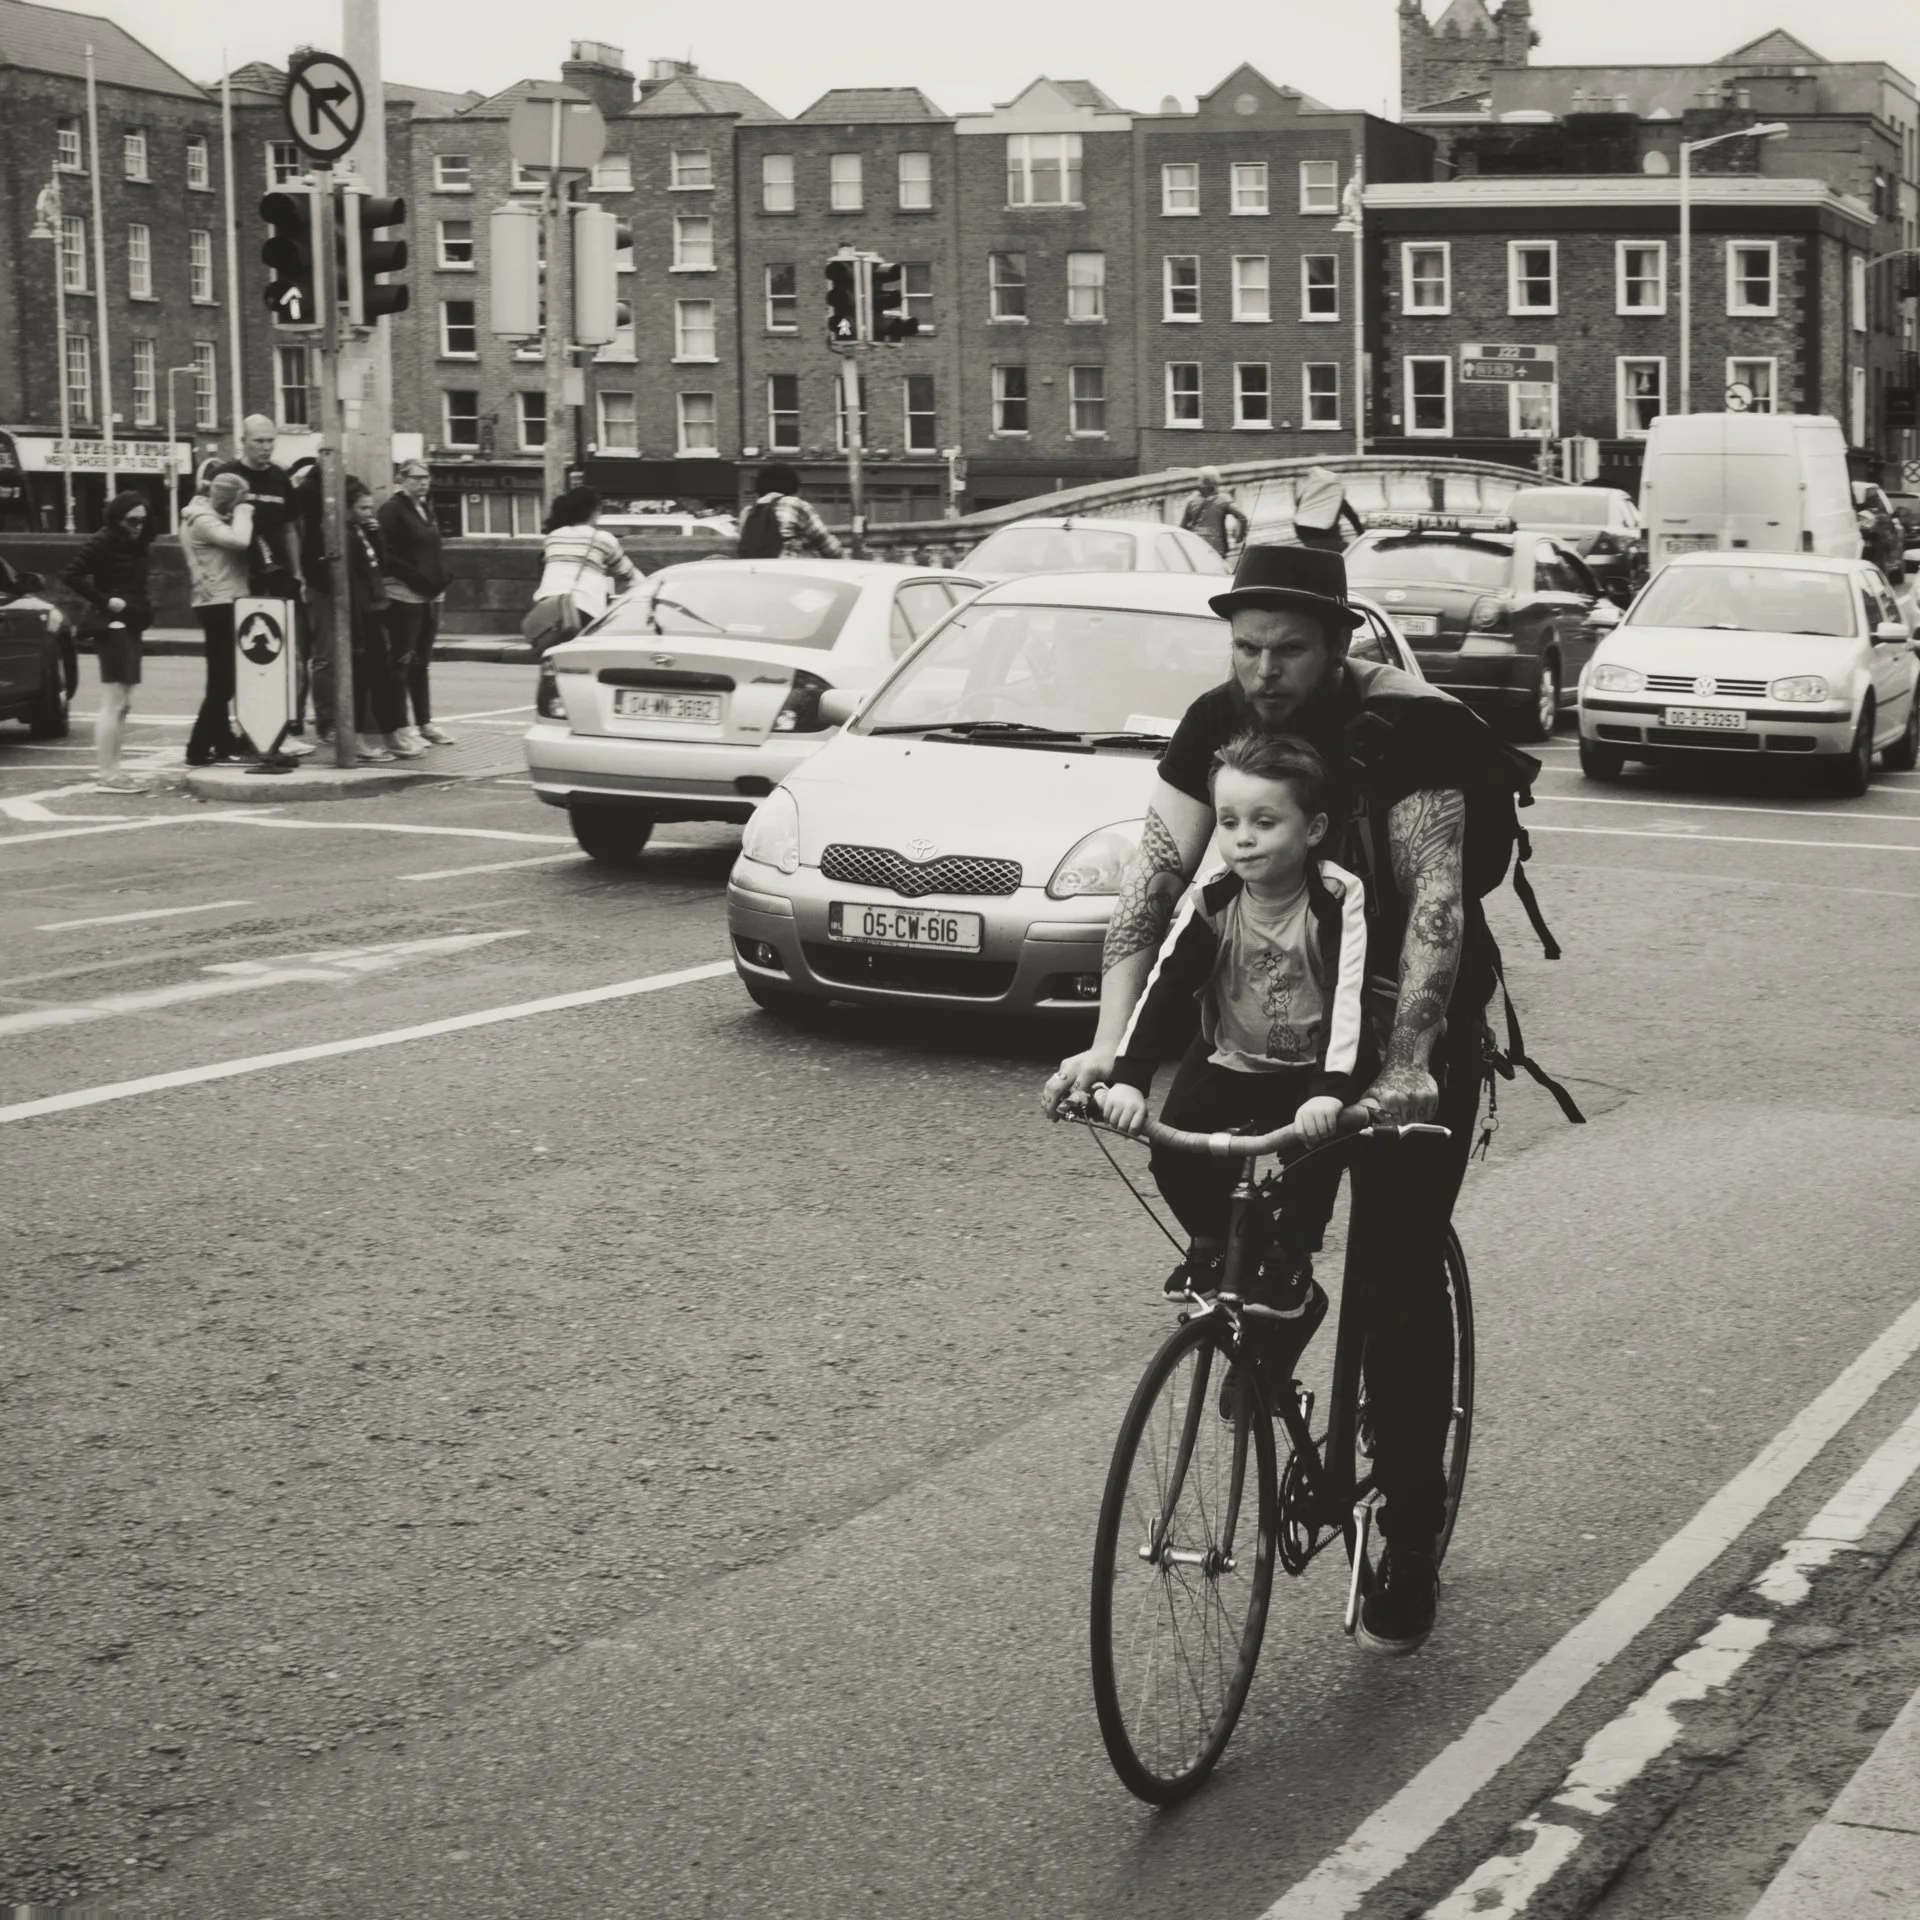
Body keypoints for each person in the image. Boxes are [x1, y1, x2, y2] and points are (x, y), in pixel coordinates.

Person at [1045, 543, 1518, 1659]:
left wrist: (1405, 1069)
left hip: (1408, 1021)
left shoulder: (1415, 733)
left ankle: (1407, 1538)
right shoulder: (1217, 723)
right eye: (1246, 646)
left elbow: (1435, 909)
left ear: (1339, 638)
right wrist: (1108, 1048)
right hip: (1276, 1024)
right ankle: (1273, 1289)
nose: (1262, 670)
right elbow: (1153, 884)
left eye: (1287, 649)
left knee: (1395, 1293)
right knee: (1205, 1163)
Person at [1096, 733, 1369, 1409]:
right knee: (1173, 1148)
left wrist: (1331, 1091)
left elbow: (1348, 995)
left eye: (1265, 822)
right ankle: (1213, 1244)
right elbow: (1165, 987)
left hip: (1311, 1072)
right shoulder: (1215, 900)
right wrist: (1128, 1077)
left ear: (1314, 829)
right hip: (1232, 1057)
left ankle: (1292, 1277)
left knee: (1309, 1173)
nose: (1242, 839)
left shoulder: (1336, 897)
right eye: (1227, 822)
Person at [181, 472, 295, 764]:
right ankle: (197, 748)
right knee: (222, 683)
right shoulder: (204, 521)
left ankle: (221, 743)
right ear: (229, 500)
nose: (243, 505)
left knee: (222, 680)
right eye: (240, 500)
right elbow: (241, 541)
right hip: (218, 603)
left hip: (225, 600)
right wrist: (244, 513)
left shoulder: (204, 516)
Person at [64, 491, 158, 792]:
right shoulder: (103, 540)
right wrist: (107, 602)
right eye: (132, 520)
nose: (138, 526)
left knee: (124, 703)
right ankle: (108, 773)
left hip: (131, 622)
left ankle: (115, 769)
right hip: (113, 623)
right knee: (114, 701)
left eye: (143, 521)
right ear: (117, 518)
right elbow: (71, 575)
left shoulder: (137, 544)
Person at [377, 460, 454, 750]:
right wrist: (417, 578)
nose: (424, 483)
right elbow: (387, 554)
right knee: (402, 661)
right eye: (417, 478)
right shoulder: (393, 510)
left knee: (421, 663)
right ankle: (402, 725)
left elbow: (431, 548)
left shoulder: (425, 507)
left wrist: (442, 576)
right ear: (402, 478)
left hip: (430, 594)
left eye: (427, 477)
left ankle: (425, 722)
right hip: (404, 595)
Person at [343, 477, 408, 762]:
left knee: (384, 677)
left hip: (376, 610)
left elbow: (381, 565)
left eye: (371, 507)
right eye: (362, 508)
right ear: (347, 509)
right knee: (362, 680)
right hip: (361, 614)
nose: (369, 513)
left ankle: (391, 733)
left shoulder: (363, 533)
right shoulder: (344, 536)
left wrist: (376, 535)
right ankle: (357, 740)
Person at [533, 487, 638, 645]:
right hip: (583, 607)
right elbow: (630, 575)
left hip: (548, 607)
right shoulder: (602, 539)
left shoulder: (553, 537)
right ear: (594, 511)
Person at [736, 463, 843, 559]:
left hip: (754, 575)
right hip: (787, 574)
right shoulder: (796, 505)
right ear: (792, 484)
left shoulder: (747, 512)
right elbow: (830, 548)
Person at [1180, 468, 1249, 559]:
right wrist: (1239, 537)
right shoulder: (1223, 499)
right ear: (1215, 482)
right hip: (1217, 549)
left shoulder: (1191, 501)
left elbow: (1182, 528)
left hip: (1197, 547)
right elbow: (1243, 518)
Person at [1293, 466, 1364, 553]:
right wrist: (1361, 534)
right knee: (1347, 555)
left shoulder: (1306, 498)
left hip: (1308, 540)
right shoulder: (1335, 498)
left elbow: (1298, 516)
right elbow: (1352, 517)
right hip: (1331, 540)